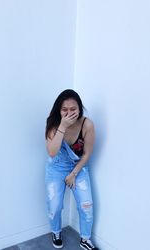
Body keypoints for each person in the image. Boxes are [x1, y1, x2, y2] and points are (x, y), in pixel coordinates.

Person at [45, 89, 99, 250]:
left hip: (79, 167)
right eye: (64, 110)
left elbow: (88, 153)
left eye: (73, 109)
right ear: (59, 110)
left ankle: (85, 239)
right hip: (56, 167)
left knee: (86, 205)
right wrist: (62, 125)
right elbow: (52, 152)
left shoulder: (87, 124)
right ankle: (56, 231)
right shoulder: (53, 124)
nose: (69, 113)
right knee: (54, 206)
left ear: (80, 108)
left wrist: (74, 173)